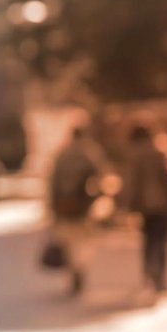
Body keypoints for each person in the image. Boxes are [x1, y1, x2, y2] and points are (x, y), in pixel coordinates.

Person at [48, 126, 103, 295]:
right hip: (82, 206)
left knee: (69, 241)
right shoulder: (89, 154)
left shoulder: (62, 155)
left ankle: (74, 271)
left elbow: (53, 182)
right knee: (82, 240)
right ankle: (79, 269)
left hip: (63, 207)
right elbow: (99, 178)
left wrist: (53, 206)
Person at [125, 124, 167, 293]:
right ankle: (158, 275)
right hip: (162, 205)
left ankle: (149, 272)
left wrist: (129, 205)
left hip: (145, 206)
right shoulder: (159, 152)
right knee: (160, 240)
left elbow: (132, 184)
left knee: (148, 240)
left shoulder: (135, 157)